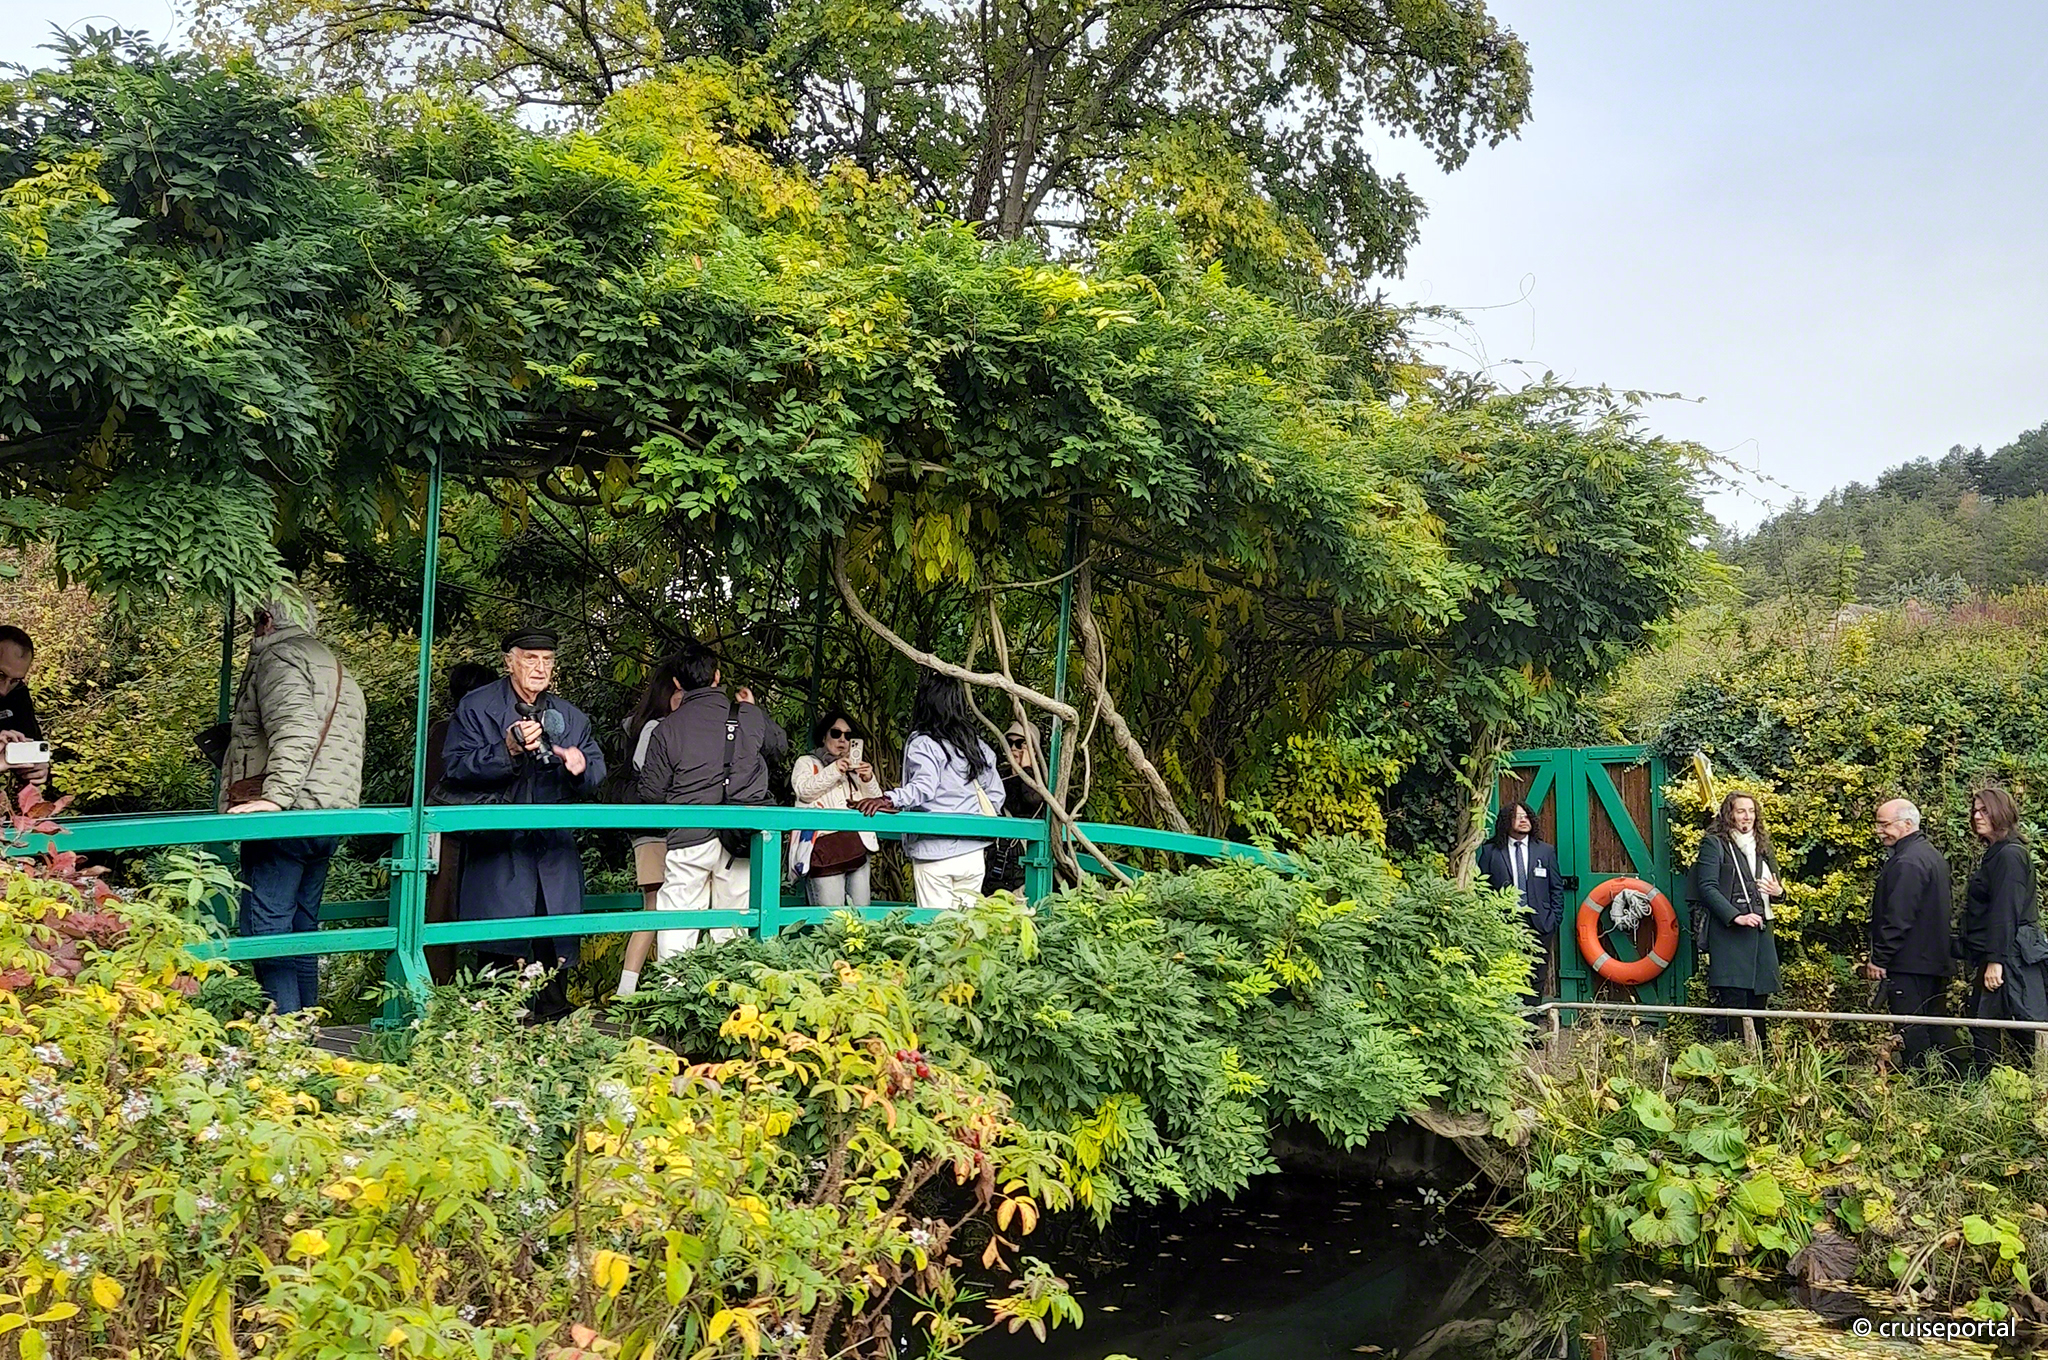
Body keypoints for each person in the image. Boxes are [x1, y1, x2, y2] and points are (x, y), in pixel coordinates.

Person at [439, 627, 607, 1021]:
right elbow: (454, 768)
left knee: (554, 940)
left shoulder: (568, 715)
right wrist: (507, 749)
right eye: (531, 659)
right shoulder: (477, 707)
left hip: (552, 845)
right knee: (500, 941)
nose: (540, 668)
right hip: (499, 843)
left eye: (547, 660)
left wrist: (581, 766)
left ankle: (555, 1021)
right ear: (509, 662)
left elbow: (598, 769)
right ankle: (497, 1024)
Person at [220, 596, 368, 1015]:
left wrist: (274, 798)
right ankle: (305, 1026)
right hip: (331, 812)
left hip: (291, 813)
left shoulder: (280, 659)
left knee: (265, 925)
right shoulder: (333, 665)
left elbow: (297, 730)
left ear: (266, 620)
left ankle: (284, 1033)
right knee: (302, 925)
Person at [637, 642, 788, 958]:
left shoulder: (666, 729)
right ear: (717, 676)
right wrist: (753, 710)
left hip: (688, 835)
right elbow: (779, 749)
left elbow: (651, 793)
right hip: (739, 836)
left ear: (677, 683)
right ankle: (728, 987)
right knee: (733, 927)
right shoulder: (747, 715)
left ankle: (674, 987)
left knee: (677, 923)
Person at [858, 670, 1004, 913]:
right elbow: (996, 794)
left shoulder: (924, 743)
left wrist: (889, 799)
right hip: (972, 855)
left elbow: (924, 787)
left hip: (935, 853)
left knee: (936, 928)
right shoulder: (976, 745)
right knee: (965, 929)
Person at [614, 654, 686, 998]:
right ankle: (627, 991)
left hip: (663, 828)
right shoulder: (655, 728)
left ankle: (648, 988)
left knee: (665, 906)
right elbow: (648, 774)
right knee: (655, 905)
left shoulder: (660, 726)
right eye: (680, 692)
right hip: (653, 829)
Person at [422, 660, 498, 986]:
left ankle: (439, 986)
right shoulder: (476, 731)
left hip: (447, 830)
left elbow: (425, 784)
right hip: (463, 830)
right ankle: (494, 986)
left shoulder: (443, 730)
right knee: (487, 906)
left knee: (441, 909)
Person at [1865, 799, 1954, 1071]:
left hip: (1909, 963)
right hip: (1932, 960)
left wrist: (1879, 958)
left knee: (1911, 1029)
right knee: (1936, 1026)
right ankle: (1953, 1079)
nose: (1879, 831)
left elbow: (1898, 917)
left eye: (1884, 824)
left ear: (1906, 824)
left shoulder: (1908, 862)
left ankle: (1921, 1081)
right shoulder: (1930, 855)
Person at [1961, 786, 2044, 1073]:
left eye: (1984, 810)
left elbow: (2005, 910)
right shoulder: (1998, 854)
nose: (1977, 816)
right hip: (2003, 949)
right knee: (1992, 1020)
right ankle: (2001, 1086)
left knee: (2016, 1023)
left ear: (2002, 812)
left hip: (2012, 952)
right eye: (1975, 810)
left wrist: (1996, 961)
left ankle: (2010, 1086)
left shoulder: (2009, 855)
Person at [1692, 791, 1784, 1043]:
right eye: (1741, 811)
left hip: (1761, 933)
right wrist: (1736, 916)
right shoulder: (1714, 844)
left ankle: (1762, 1058)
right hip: (1730, 935)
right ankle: (1738, 1057)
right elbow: (1707, 887)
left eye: (1751, 811)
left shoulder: (1764, 846)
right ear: (1729, 814)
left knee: (1759, 1005)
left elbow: (1777, 888)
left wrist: (1779, 892)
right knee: (1734, 1005)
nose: (1747, 816)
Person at [789, 708, 883, 908]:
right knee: (830, 918)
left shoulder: (856, 769)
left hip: (857, 847)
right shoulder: (807, 762)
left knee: (862, 915)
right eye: (836, 733)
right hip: (824, 850)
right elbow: (804, 791)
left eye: (848, 736)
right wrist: (835, 769)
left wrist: (868, 779)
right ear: (824, 736)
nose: (842, 740)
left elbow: (877, 802)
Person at [1475, 800, 1564, 1004]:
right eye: (1517, 817)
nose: (1523, 820)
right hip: (1505, 925)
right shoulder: (1490, 852)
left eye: (1526, 816)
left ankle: (1531, 1021)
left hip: (1540, 924)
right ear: (1506, 821)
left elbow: (1556, 888)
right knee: (1506, 974)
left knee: (1536, 976)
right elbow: (1482, 888)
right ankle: (1510, 1018)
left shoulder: (1545, 851)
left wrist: (1553, 920)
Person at [981, 720, 1047, 895]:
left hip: (1023, 872)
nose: (1013, 749)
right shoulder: (997, 778)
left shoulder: (1042, 782)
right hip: (994, 866)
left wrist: (1026, 768)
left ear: (1034, 749)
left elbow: (1033, 800)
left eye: (1020, 744)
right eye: (1009, 743)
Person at [0, 624, 52, 788]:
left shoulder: (17, 693)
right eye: (0, 675)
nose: (4, 690)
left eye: (15, 680)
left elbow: (33, 744)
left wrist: (39, 770)